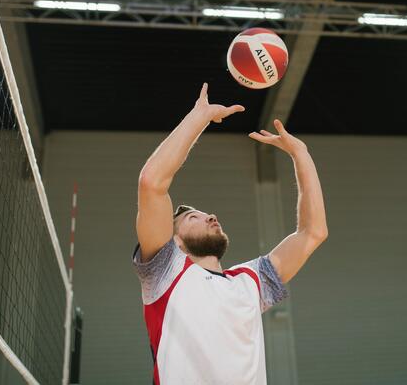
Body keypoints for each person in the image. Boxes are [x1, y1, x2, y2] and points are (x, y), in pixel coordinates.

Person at [133, 83, 328, 385]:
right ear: (175, 242)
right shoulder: (165, 271)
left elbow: (313, 232)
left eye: (207, 213)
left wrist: (300, 154)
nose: (210, 216)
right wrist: (200, 118)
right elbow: (151, 182)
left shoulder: (249, 282)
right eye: (194, 217)